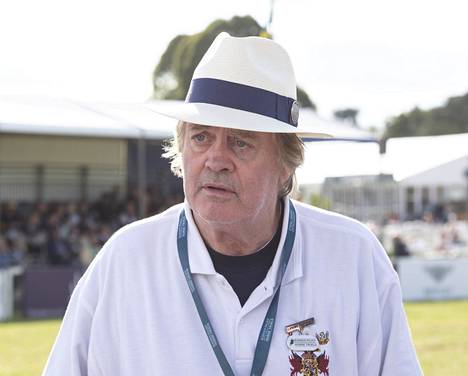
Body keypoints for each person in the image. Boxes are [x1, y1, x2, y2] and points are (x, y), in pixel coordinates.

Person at [42, 33, 422, 375]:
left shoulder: (353, 257)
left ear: (285, 165)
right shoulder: (125, 261)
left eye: (241, 142)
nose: (216, 159)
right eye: (201, 137)